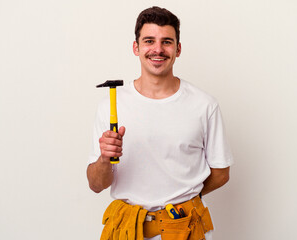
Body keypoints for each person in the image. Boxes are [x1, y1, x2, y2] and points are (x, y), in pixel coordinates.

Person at [87, 6, 234, 240]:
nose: (158, 49)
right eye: (149, 41)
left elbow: (221, 173)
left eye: (167, 41)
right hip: (127, 230)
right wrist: (105, 159)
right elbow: (96, 184)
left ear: (178, 49)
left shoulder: (204, 105)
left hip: (185, 228)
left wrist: (184, 197)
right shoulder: (110, 106)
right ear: (136, 47)